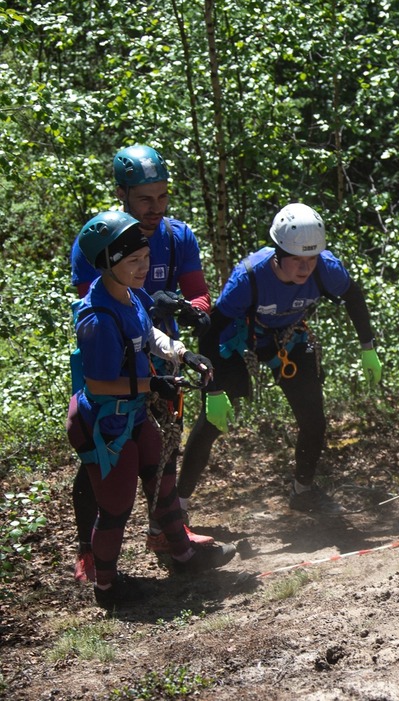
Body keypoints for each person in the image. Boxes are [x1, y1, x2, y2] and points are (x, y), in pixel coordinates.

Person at [68, 211, 235, 610]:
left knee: (164, 482)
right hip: (108, 423)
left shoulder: (131, 293)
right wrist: (152, 384)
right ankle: (107, 588)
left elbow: (150, 332)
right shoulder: (97, 318)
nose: (144, 268)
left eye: (145, 257)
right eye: (133, 261)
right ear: (108, 263)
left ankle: (183, 557)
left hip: (135, 414)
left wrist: (181, 352)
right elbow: (98, 383)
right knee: (116, 506)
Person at [179, 203, 382, 515]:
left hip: (288, 339)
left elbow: (353, 296)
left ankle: (303, 492)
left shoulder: (326, 270)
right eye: (297, 260)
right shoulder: (248, 278)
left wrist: (368, 347)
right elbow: (210, 330)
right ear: (277, 253)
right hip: (236, 341)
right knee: (211, 423)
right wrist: (214, 390)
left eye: (311, 259)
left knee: (314, 419)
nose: (305, 268)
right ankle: (177, 504)